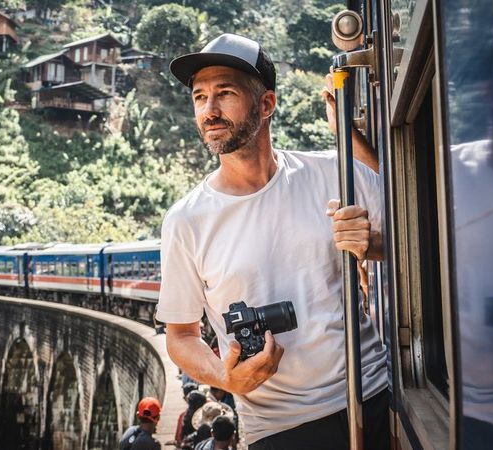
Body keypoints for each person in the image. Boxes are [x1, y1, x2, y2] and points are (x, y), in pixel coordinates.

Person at [156, 33, 388, 449]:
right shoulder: (185, 220)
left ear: (266, 104)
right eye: (199, 97)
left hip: (372, 395)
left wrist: (372, 243)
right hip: (279, 428)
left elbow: (419, 235)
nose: (209, 111)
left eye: (224, 93)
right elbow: (181, 335)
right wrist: (225, 377)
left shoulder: (332, 173)